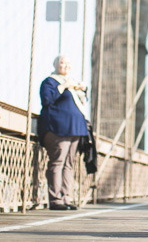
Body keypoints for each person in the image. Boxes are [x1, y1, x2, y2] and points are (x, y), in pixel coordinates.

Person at [38, 55, 89, 211]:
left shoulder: (72, 85)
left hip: (75, 128)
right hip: (58, 128)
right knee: (58, 162)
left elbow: (82, 102)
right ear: (55, 65)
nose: (65, 66)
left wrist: (82, 90)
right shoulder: (50, 82)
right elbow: (46, 100)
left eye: (68, 63)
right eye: (62, 63)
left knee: (69, 164)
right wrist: (63, 86)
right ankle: (55, 199)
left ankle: (66, 197)